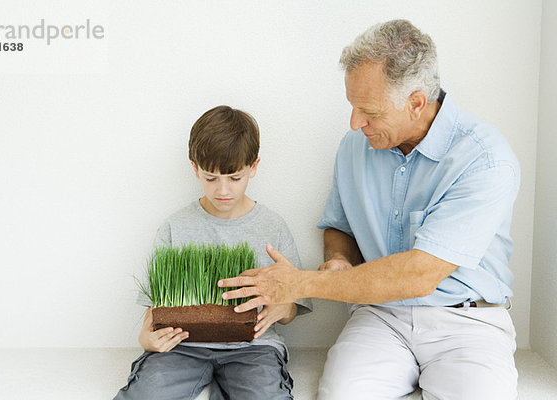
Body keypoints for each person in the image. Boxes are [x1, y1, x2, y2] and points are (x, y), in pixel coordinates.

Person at [219, 20, 520, 399]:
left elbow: (418, 276)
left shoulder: (485, 160)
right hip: (381, 317)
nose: (354, 122)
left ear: (416, 103)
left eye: (369, 111)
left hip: (467, 321)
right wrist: (338, 259)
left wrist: (301, 282)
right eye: (352, 106)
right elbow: (339, 226)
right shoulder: (353, 147)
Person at [113, 105, 312, 400]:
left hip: (253, 348)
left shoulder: (273, 226)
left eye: (234, 178)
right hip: (183, 347)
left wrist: (283, 308)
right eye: (210, 178)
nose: (223, 190)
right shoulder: (174, 227)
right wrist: (146, 338)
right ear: (195, 169)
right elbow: (155, 308)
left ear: (253, 167)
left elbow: (293, 305)